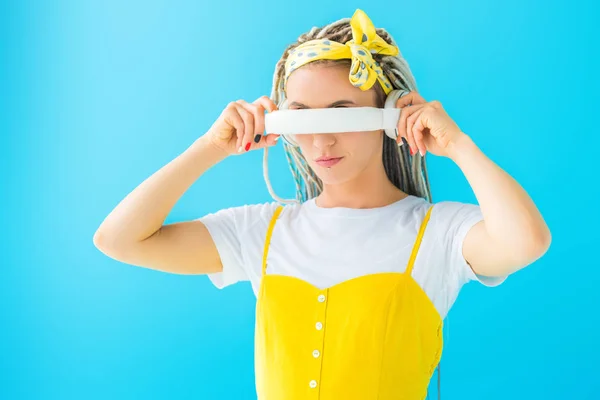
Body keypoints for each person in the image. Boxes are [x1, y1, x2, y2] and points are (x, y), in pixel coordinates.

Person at [93, 9, 551, 400]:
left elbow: (527, 242)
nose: (320, 139)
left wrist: (458, 145)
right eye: (301, 117)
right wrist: (210, 146)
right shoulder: (261, 231)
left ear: (389, 115)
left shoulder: (438, 232)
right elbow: (118, 240)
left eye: (341, 112)